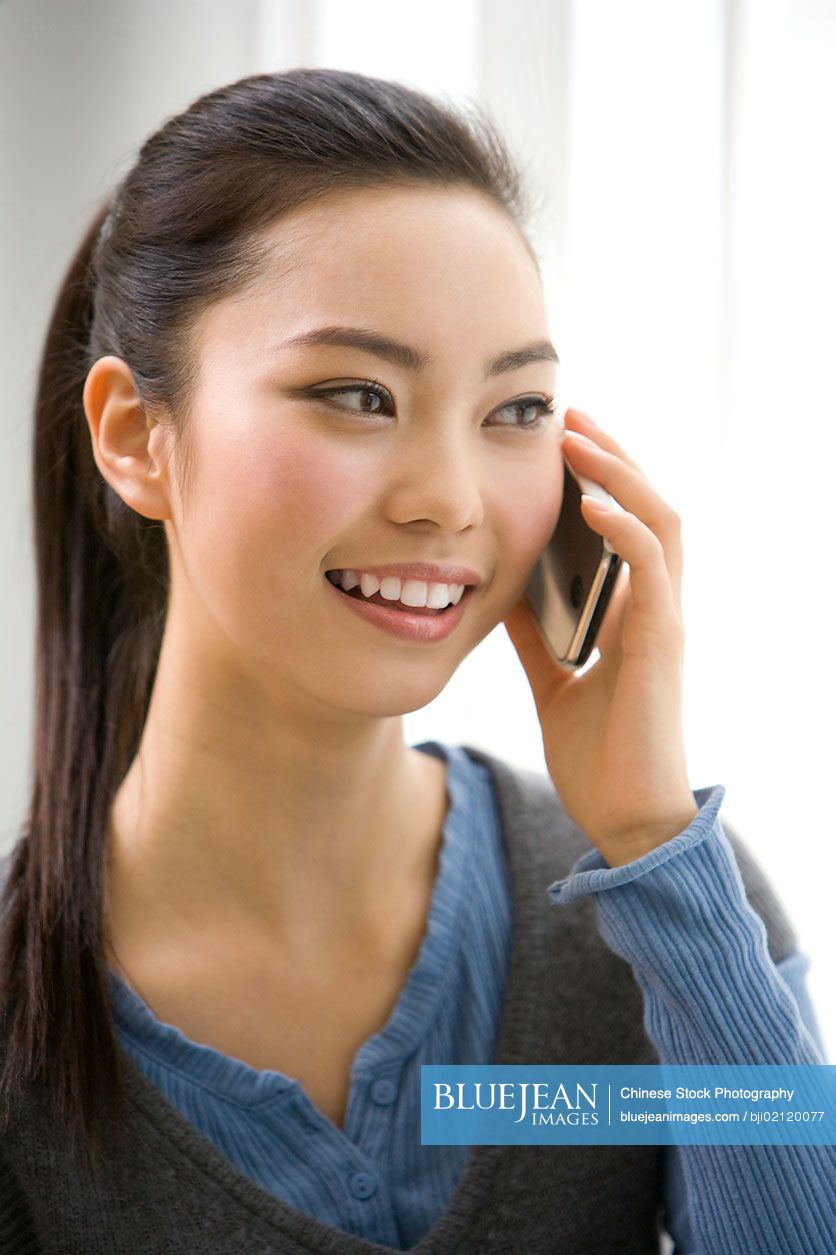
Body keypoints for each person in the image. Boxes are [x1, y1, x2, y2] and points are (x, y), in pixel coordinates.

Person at [0, 67, 832, 1255]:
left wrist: (651, 844)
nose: (449, 501)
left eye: (514, 410)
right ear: (136, 435)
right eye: (356, 393)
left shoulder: (670, 912)